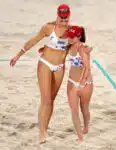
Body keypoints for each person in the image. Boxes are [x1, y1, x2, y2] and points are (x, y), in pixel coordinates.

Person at [10, 4, 71, 144]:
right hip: (45, 64)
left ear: (69, 16)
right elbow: (32, 41)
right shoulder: (49, 27)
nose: (63, 20)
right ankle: (42, 133)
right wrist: (17, 56)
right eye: (61, 17)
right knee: (46, 100)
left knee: (51, 101)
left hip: (60, 67)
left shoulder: (72, 31)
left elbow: (73, 48)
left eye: (65, 18)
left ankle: (45, 127)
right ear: (57, 15)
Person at [65, 26, 93, 141]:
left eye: (72, 37)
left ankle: (86, 128)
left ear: (79, 36)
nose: (70, 39)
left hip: (85, 84)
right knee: (74, 111)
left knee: (84, 108)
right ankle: (80, 136)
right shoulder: (69, 46)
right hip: (72, 82)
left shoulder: (83, 48)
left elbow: (87, 67)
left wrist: (81, 83)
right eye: (69, 36)